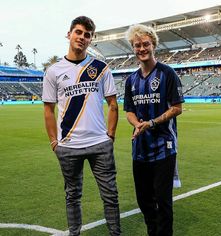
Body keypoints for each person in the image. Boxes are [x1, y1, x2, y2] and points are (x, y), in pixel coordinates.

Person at [42, 16, 121, 236]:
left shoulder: (101, 68)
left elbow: (113, 104)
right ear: (69, 34)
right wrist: (54, 142)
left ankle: (116, 233)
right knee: (73, 195)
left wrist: (110, 136)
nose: (82, 37)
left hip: (99, 144)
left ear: (91, 39)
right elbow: (48, 109)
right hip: (68, 146)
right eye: (78, 32)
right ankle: (74, 233)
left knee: (110, 195)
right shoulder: (53, 71)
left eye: (87, 35)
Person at [124, 24, 184, 236]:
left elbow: (177, 108)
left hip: (164, 148)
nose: (142, 48)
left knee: (163, 201)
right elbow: (129, 111)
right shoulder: (131, 80)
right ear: (133, 47)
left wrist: (151, 123)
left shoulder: (168, 74)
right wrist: (137, 124)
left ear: (153, 45)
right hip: (139, 148)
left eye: (145, 44)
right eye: (137, 45)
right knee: (144, 200)